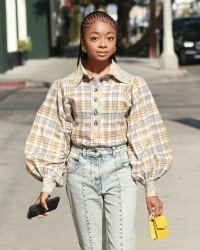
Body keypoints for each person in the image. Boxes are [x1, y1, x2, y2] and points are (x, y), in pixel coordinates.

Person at [25, 10, 172, 250]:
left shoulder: (133, 85)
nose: (103, 44)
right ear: (82, 43)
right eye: (94, 38)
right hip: (79, 171)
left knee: (122, 245)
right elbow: (54, 136)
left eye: (110, 38)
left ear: (115, 43)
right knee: (91, 246)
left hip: (120, 170)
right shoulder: (63, 87)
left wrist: (150, 189)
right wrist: (46, 187)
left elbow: (145, 135)